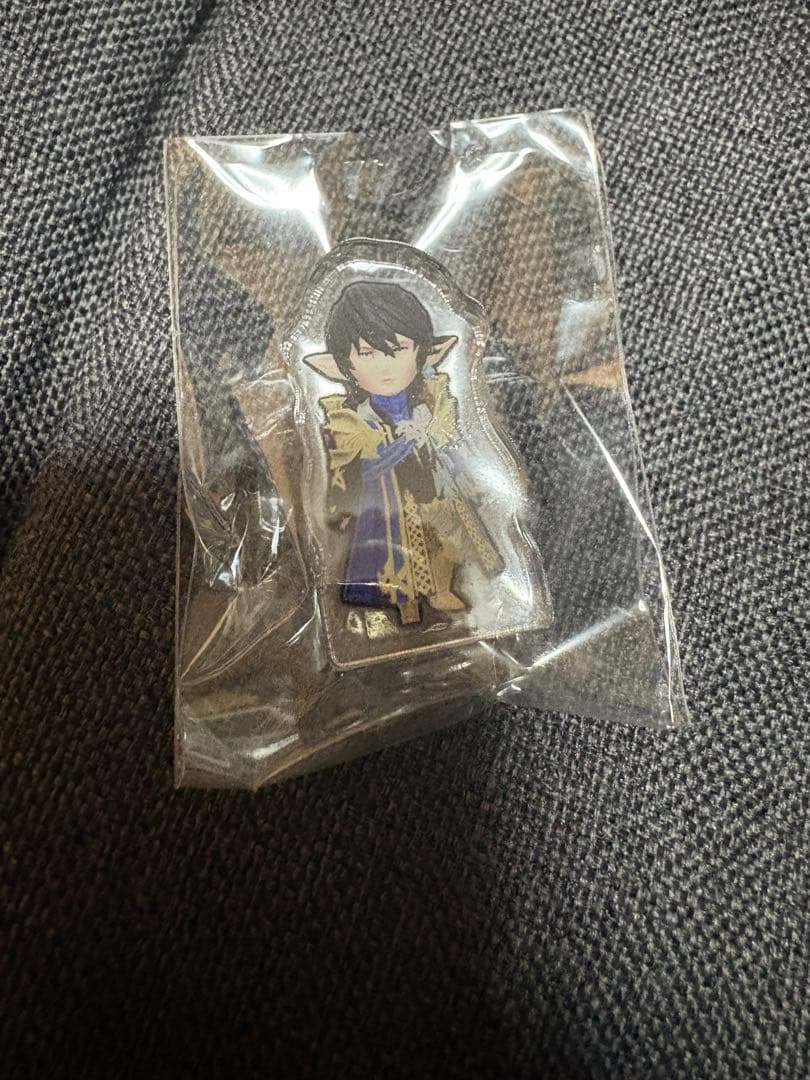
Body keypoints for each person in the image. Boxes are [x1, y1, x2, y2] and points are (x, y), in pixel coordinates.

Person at [304, 281, 499, 625]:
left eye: (399, 349)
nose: (386, 366)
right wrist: (393, 446)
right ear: (346, 364)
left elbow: (447, 442)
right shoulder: (353, 418)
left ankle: (440, 589)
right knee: (395, 550)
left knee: (443, 540)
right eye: (367, 353)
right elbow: (351, 466)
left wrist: (463, 471)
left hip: (432, 482)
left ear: (420, 353)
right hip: (386, 496)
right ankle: (404, 601)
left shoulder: (430, 402)